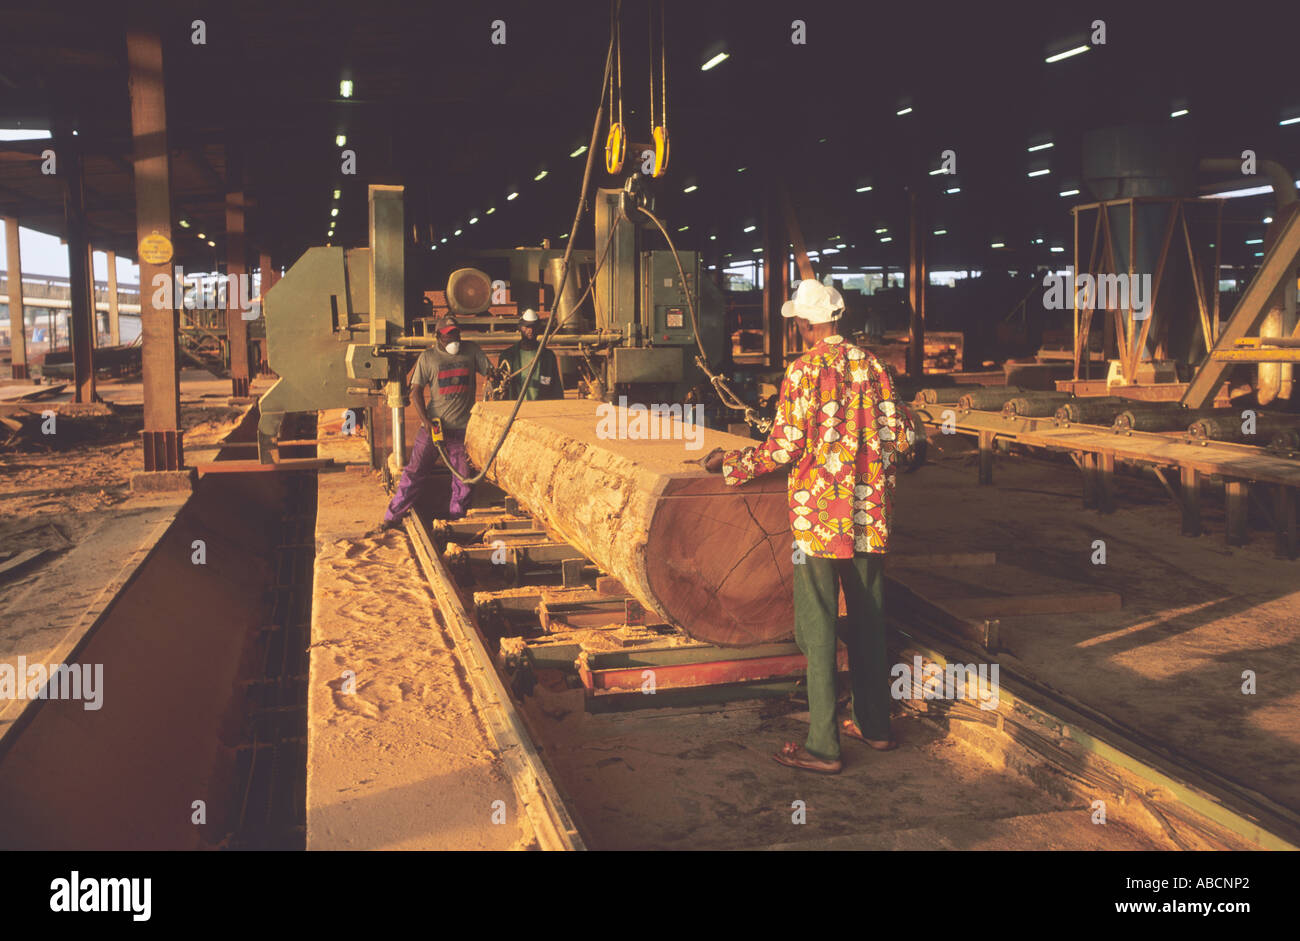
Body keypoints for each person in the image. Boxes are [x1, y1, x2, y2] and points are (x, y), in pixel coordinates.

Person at [705, 279, 919, 774]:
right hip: (870, 517)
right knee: (868, 620)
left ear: (804, 324)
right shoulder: (876, 367)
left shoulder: (804, 371)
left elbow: (783, 448)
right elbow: (904, 438)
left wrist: (731, 464)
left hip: (819, 519)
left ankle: (823, 746)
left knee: (817, 626)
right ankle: (875, 727)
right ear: (838, 318)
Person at [380, 315, 492, 527]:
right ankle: (392, 517)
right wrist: (427, 421)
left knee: (463, 478)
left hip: (462, 431)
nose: (453, 339)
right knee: (414, 473)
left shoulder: (472, 351)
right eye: (448, 336)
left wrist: (494, 378)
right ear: (438, 337)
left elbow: (492, 374)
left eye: (456, 334)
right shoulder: (428, 358)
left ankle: (455, 522)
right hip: (434, 429)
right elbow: (415, 392)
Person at [497, 308, 564, 400]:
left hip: (541, 410)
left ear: (538, 328)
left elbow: (556, 388)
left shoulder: (548, 356)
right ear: (520, 327)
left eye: (533, 327)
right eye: (527, 327)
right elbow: (500, 389)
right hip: (514, 409)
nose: (530, 330)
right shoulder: (508, 356)